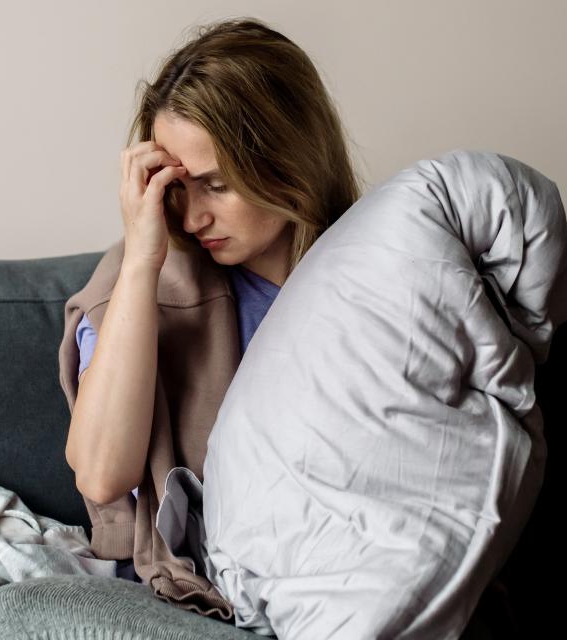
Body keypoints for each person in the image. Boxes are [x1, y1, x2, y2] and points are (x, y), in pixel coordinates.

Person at [63, 16, 362, 589]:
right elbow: (101, 475)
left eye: (217, 186)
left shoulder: (380, 274)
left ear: (290, 159)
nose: (193, 218)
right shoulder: (140, 284)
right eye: (178, 188)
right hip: (190, 593)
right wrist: (142, 266)